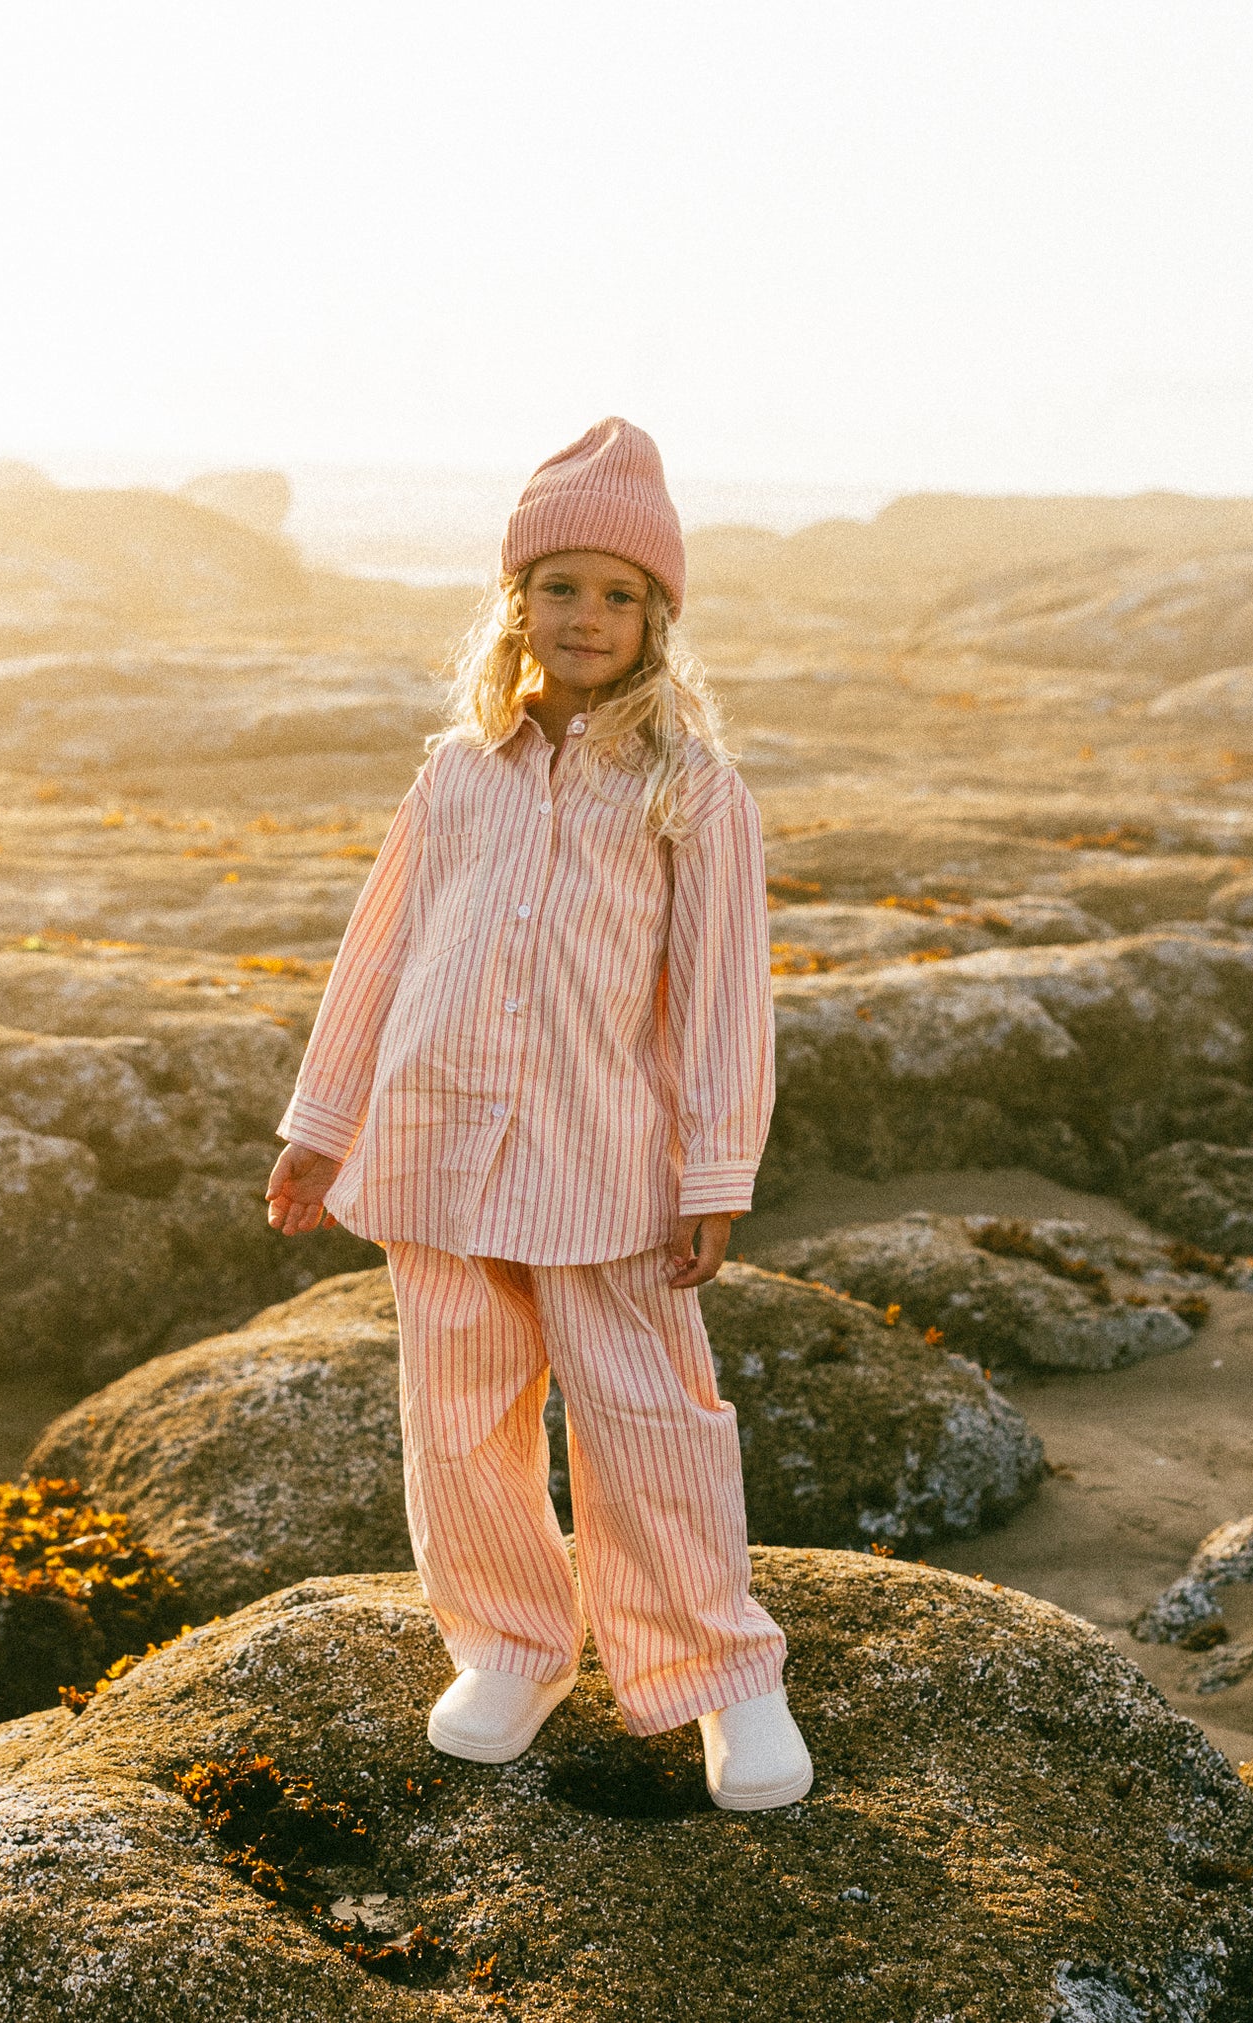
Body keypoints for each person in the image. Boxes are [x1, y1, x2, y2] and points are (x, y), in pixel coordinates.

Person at [265, 417, 812, 1812]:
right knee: (458, 1416)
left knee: (649, 1419)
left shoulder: (695, 791)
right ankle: (511, 1642)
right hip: (433, 1148)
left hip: (600, 1165)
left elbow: (722, 1001)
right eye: (559, 585)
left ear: (656, 621)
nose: (586, 615)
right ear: (516, 603)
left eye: (618, 594)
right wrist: (321, 1122)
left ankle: (722, 1677)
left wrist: (714, 1170)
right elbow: (379, 950)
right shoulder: (456, 774)